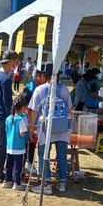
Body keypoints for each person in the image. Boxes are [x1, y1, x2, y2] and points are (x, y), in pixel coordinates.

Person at [28, 62, 72, 194]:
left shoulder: (39, 90)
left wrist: (31, 126)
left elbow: (34, 111)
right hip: (62, 128)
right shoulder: (64, 89)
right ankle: (62, 182)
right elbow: (69, 109)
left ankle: (46, 183)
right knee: (62, 154)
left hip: (45, 128)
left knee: (44, 154)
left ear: (44, 76)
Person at [0, 50, 20, 182]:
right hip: (3, 116)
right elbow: (7, 102)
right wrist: (12, 116)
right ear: (11, 62)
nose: (16, 65)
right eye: (16, 62)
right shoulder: (6, 79)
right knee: (2, 146)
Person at [3, 95, 29, 190]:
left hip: (9, 146)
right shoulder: (21, 120)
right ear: (23, 107)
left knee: (9, 165)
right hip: (18, 147)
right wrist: (27, 130)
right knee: (18, 166)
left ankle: (7, 181)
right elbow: (22, 133)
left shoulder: (8, 118)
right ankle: (17, 183)